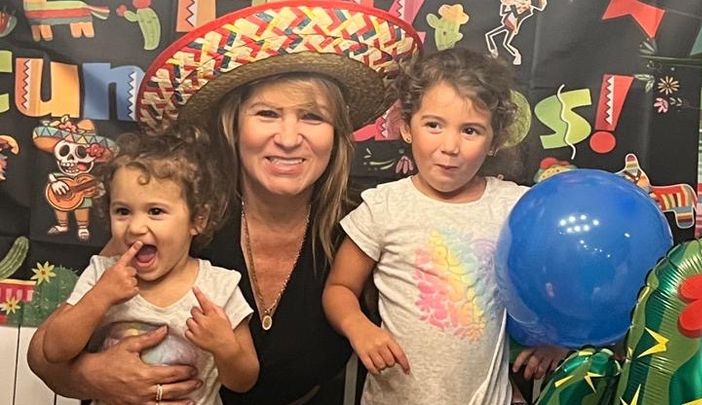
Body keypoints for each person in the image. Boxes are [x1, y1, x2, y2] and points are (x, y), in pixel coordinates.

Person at [27, 2, 421, 404]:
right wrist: (93, 377)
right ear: (233, 124)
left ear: (336, 133)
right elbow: (43, 357)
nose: (288, 138)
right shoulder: (181, 209)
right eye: (267, 114)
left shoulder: (364, 223)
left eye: (312, 117)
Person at [322, 47, 566, 405]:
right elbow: (339, 287)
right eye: (434, 125)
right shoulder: (384, 207)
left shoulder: (515, 206)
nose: (450, 146)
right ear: (406, 127)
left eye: (470, 130)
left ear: (495, 140)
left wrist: (558, 339)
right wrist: (358, 327)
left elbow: (563, 282)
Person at [41, 127, 260, 404]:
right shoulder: (101, 274)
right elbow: (54, 350)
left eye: (155, 211)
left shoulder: (218, 286)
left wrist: (225, 347)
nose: (135, 227)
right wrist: (99, 297)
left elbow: (244, 381)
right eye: (122, 211)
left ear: (198, 220)